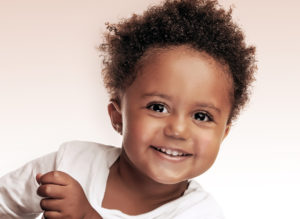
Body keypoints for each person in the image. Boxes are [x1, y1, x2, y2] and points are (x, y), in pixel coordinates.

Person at [0, 0, 256, 218]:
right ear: (117, 116)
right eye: (158, 107)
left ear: (223, 134)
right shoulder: (70, 163)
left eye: (202, 116)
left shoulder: (201, 213)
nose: (178, 130)